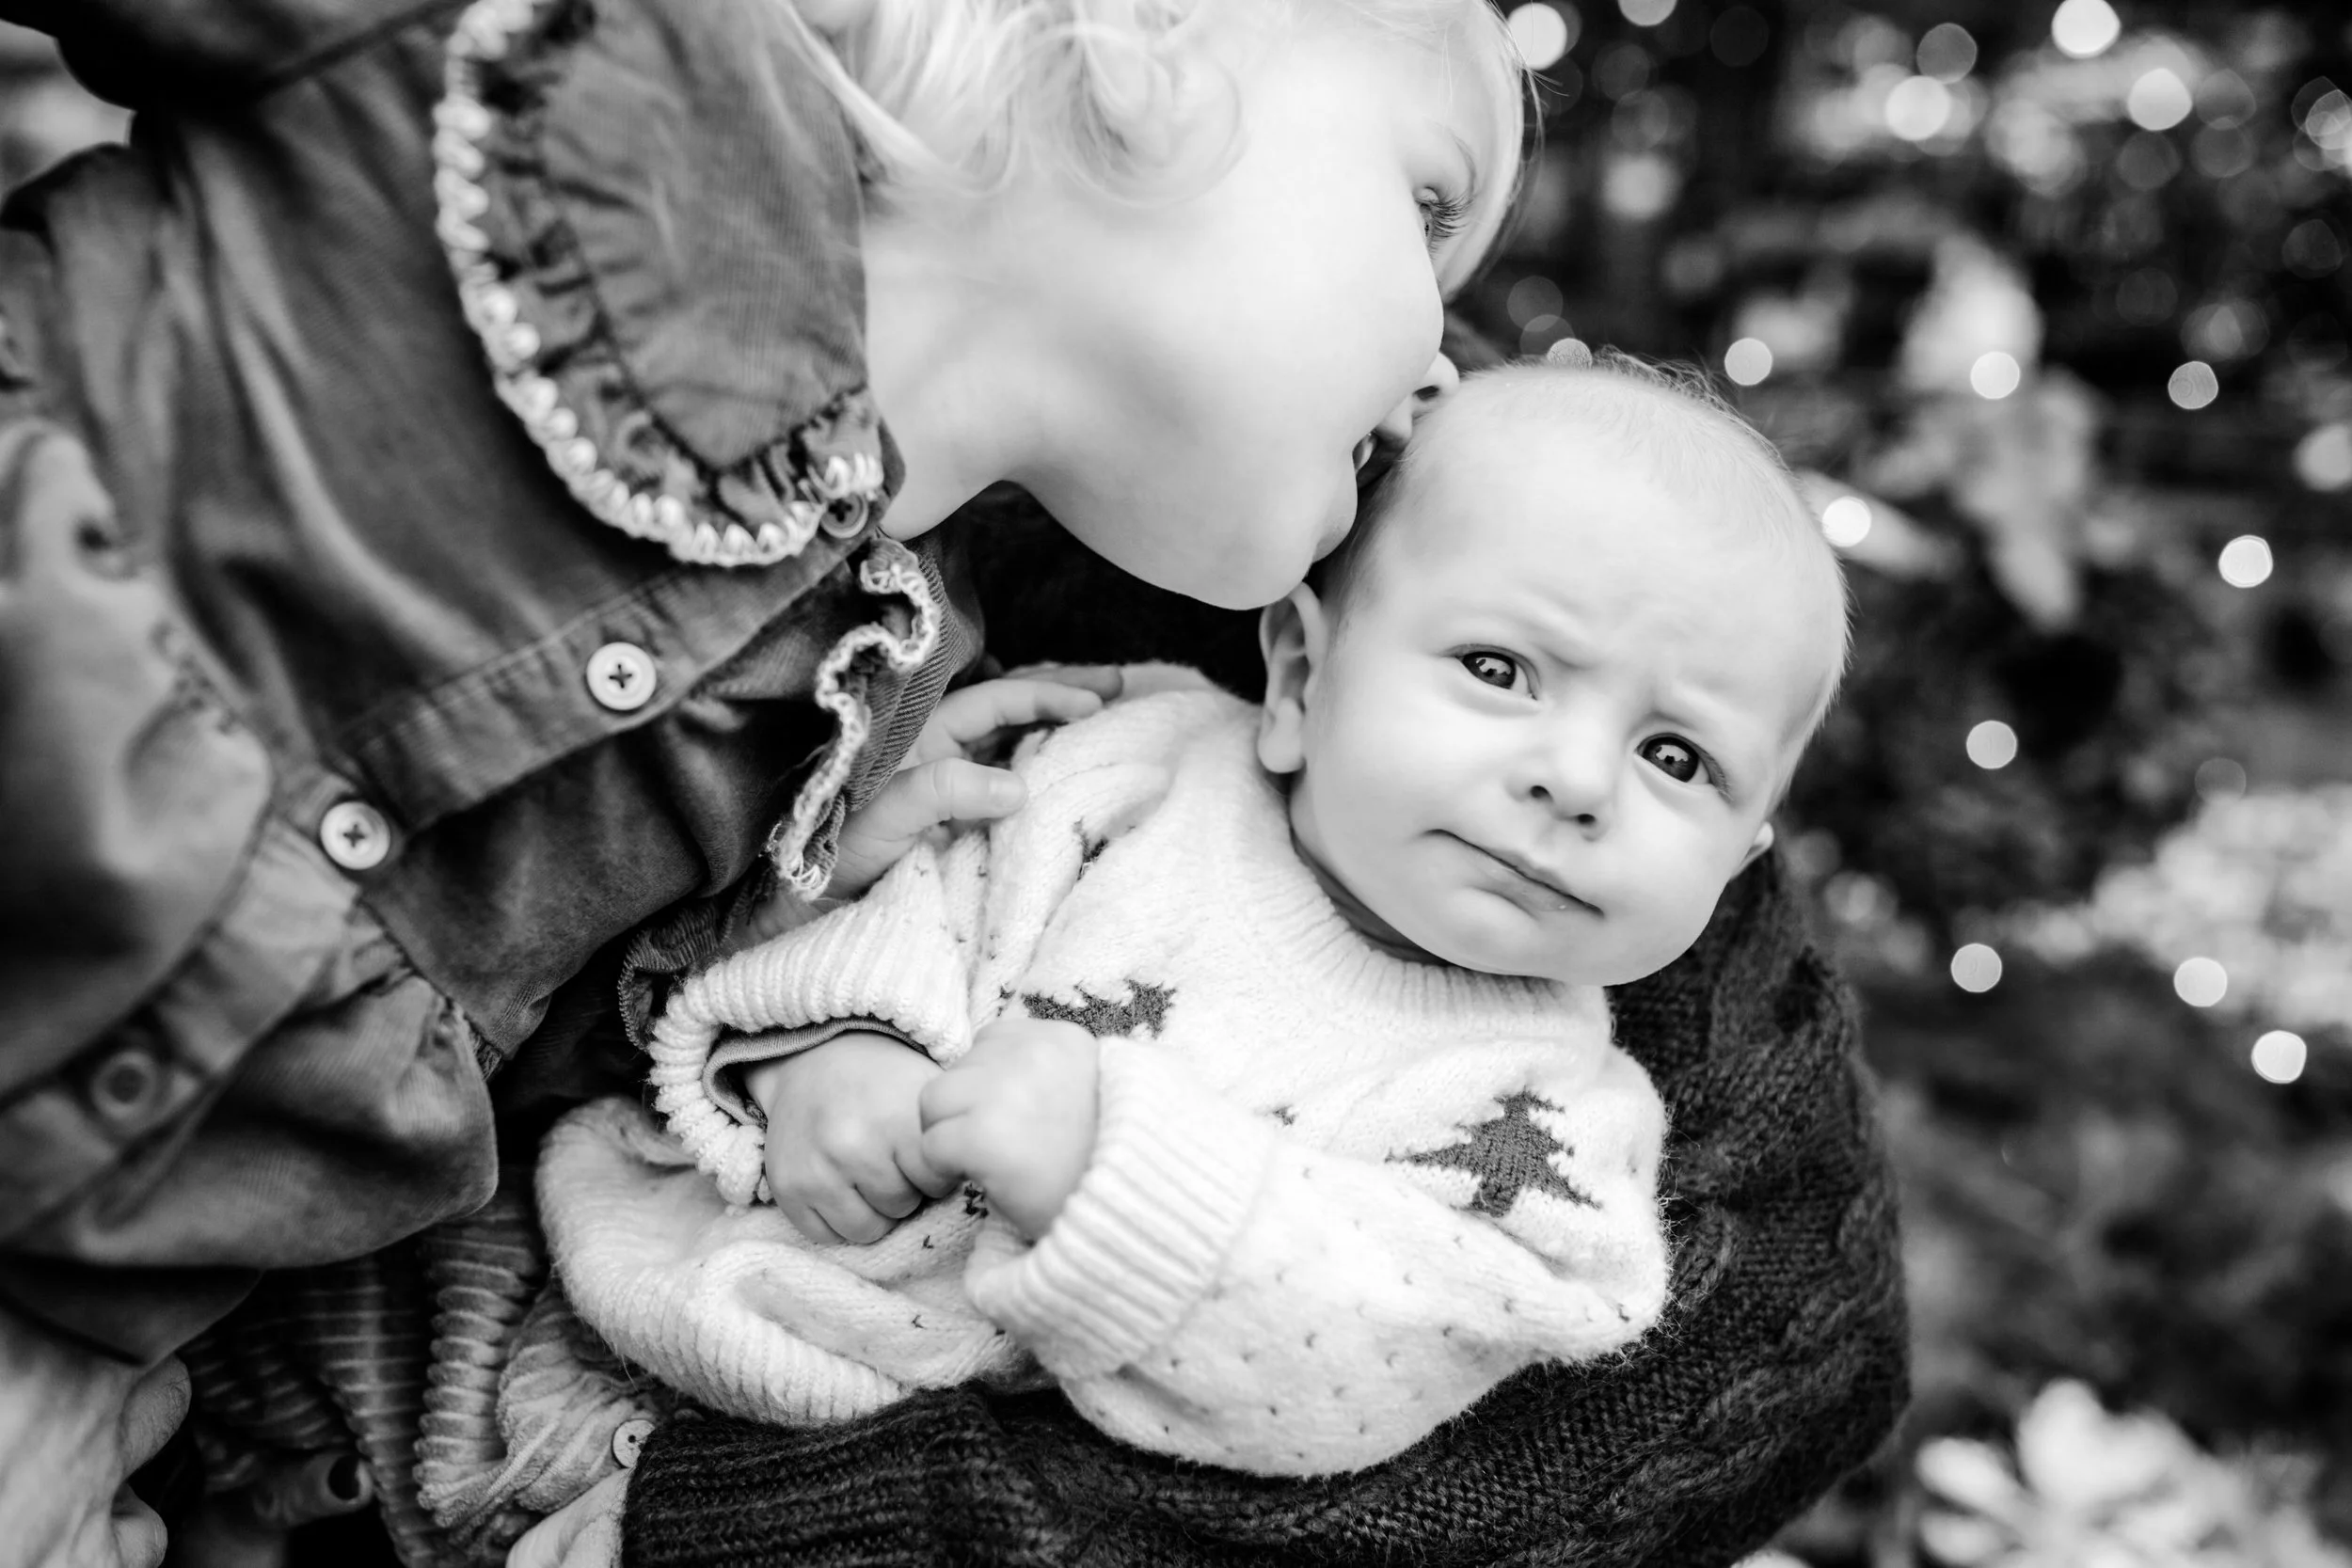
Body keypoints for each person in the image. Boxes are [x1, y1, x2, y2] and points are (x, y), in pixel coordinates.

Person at [0, 1, 1902, 1564]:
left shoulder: (892, 696)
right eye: (1423, 210)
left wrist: (787, 954)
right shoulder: (604, 72)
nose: (1435, 370)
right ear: (1152, 39)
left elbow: (534, 1034)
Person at [469, 354, 1850, 1525]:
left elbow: (1362, 1360)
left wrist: (1106, 1178)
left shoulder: (1549, 1124)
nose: (1580, 780)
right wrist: (832, 1042)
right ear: (1301, 675)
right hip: (564, 1288)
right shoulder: (1132, 762)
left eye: (1677, 756)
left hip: (768, 1475)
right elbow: (922, 884)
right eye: (1501, 670)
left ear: (1734, 866)